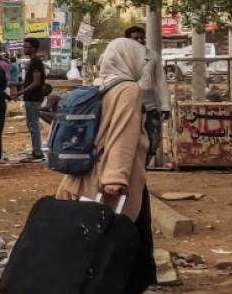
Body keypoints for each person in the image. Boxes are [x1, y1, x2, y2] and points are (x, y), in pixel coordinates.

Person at [55, 37, 157, 293]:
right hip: (114, 178)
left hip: (87, 173)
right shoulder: (128, 89)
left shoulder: (101, 84)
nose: (143, 66)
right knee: (126, 234)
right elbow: (123, 133)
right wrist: (117, 177)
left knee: (96, 236)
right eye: (141, 60)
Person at [124, 26, 171, 165]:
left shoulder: (152, 56)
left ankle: (143, 169)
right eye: (135, 38)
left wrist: (165, 106)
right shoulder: (121, 55)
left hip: (150, 105)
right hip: (127, 105)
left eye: (141, 38)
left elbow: (161, 81)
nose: (139, 40)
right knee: (129, 143)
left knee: (153, 141)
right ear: (127, 40)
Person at [12, 38, 47, 162]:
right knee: (31, 124)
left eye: (26, 47)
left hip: (33, 98)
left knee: (33, 125)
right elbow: (29, 81)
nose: (24, 49)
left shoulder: (36, 62)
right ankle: (36, 150)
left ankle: (37, 152)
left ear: (33, 48)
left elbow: (36, 82)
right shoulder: (33, 62)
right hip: (31, 98)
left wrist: (21, 92)